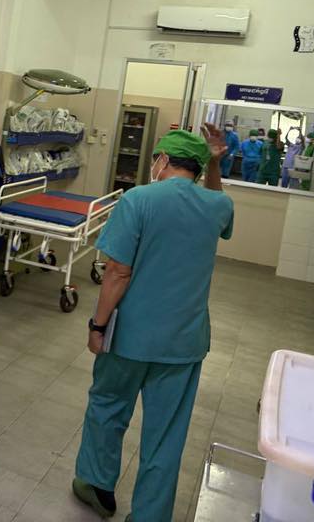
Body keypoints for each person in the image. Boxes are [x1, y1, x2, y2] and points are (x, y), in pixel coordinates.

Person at [72, 127, 234, 522]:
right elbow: (218, 203)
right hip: (183, 342)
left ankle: (97, 486)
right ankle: (150, 515)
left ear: (162, 160)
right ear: (198, 168)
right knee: (166, 433)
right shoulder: (217, 205)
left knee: (108, 406)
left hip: (130, 335)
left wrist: (97, 326)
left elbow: (117, 272)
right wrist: (215, 164)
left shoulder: (139, 199)